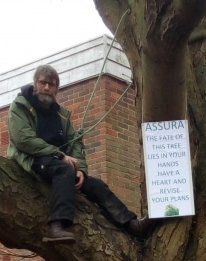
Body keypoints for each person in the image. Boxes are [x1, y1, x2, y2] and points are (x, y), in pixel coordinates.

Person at [8, 64, 151, 244]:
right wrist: (59, 155)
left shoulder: (61, 115)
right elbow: (23, 140)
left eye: (51, 85)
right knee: (64, 170)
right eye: (42, 83)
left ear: (57, 89)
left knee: (96, 185)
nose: (46, 87)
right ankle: (56, 226)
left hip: (58, 163)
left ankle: (131, 224)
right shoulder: (20, 106)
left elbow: (75, 142)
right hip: (33, 159)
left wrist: (81, 170)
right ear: (35, 83)